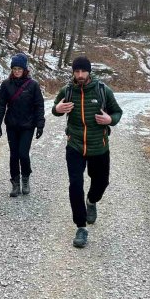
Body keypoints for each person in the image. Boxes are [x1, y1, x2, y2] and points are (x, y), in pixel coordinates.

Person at [52, 56, 122, 248]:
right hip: (74, 145)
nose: (80, 75)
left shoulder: (103, 90)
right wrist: (57, 109)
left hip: (99, 146)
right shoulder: (67, 90)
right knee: (75, 184)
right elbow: (55, 109)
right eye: (77, 71)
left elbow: (117, 112)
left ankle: (91, 201)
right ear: (73, 72)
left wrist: (110, 120)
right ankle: (81, 227)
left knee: (101, 182)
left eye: (83, 71)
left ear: (89, 72)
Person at [0, 53, 46, 197]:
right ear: (11, 69)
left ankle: (25, 178)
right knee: (13, 155)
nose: (17, 71)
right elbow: (1, 105)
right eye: (14, 68)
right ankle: (15, 182)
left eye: (19, 69)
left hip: (27, 125)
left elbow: (39, 105)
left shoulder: (33, 85)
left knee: (23, 154)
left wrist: (40, 125)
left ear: (25, 70)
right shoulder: (6, 85)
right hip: (12, 125)